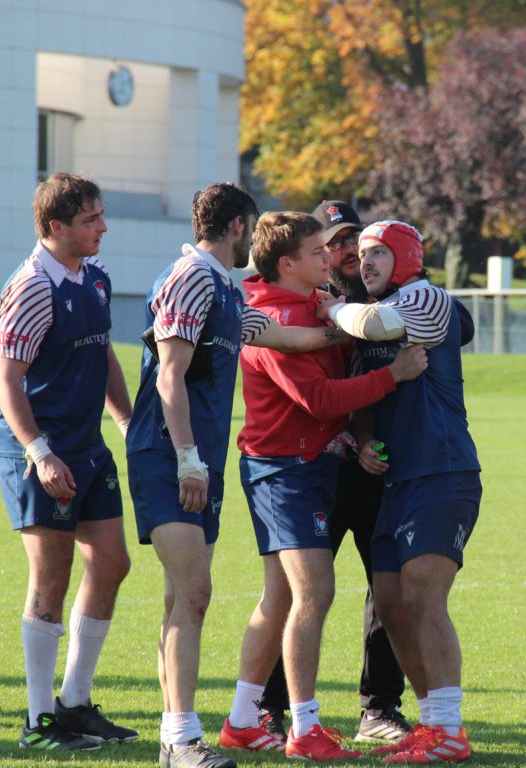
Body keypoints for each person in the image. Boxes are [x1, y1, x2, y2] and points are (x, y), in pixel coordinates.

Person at [126, 183, 348, 768]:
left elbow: (286, 338)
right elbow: (169, 375)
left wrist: (344, 321)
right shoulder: (192, 279)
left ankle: (173, 737)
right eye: (249, 227)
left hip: (200, 461)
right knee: (194, 593)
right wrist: (187, 458)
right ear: (236, 228)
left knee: (181, 598)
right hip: (170, 457)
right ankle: (182, 741)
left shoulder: (224, 289)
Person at [217, 212, 427, 761]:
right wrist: (393, 375)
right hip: (284, 471)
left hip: (311, 467)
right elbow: (319, 400)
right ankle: (303, 728)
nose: (330, 258)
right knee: (315, 593)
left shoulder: (314, 302)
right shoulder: (269, 317)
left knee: (281, 598)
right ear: (288, 263)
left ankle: (242, 720)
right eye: (318, 251)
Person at [325, 220, 481, 763]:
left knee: (421, 598)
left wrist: (330, 308)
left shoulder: (426, 298)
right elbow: (364, 399)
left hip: (441, 472)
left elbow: (374, 323)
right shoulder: (371, 313)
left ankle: (449, 730)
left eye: (377, 253)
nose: (364, 261)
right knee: (390, 605)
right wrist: (366, 439)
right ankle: (430, 722)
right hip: (396, 482)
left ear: (406, 258)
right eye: (362, 254)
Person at [0, 173, 136, 752]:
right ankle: (38, 720)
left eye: (101, 215)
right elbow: (6, 380)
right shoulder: (30, 286)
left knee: (113, 564)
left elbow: (104, 356)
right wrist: (39, 451)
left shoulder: (94, 277)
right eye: (90, 219)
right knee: (50, 578)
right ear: (55, 227)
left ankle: (74, 702)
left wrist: (126, 423)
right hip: (41, 451)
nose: (103, 227)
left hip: (88, 446)